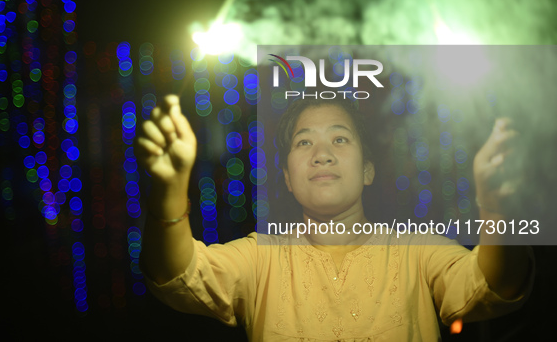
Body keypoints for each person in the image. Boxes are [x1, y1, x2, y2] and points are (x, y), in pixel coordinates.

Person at [137, 95, 533, 341]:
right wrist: (169, 189)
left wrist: (496, 204)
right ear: (288, 179)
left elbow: (493, 284)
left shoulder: (417, 250)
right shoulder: (262, 258)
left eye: (340, 139)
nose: (321, 153)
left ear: (367, 171)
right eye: (304, 141)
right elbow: (179, 275)